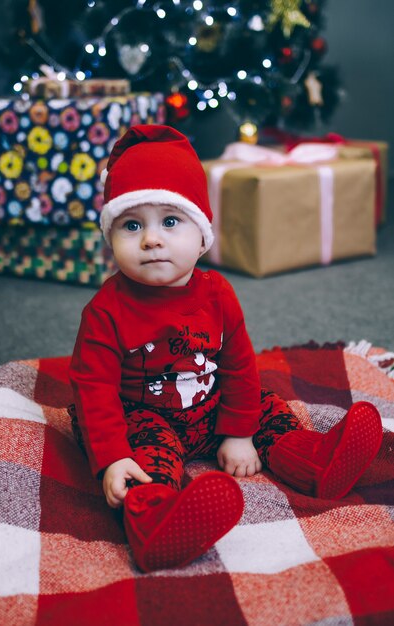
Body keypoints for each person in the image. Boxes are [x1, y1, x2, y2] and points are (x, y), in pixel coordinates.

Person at [68, 124, 383, 573]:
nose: (151, 239)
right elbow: (93, 388)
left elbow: (237, 365)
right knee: (146, 457)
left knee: (266, 406)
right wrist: (111, 457)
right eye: (131, 224)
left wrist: (238, 432)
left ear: (201, 236)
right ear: (110, 237)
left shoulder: (217, 294)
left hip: (207, 407)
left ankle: (312, 461)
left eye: (170, 222)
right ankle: (153, 519)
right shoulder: (106, 310)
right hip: (141, 415)